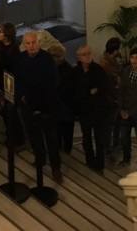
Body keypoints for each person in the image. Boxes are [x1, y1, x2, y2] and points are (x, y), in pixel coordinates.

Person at [16, 30, 62, 183]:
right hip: (27, 105)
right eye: (28, 43)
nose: (31, 46)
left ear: (38, 43)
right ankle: (40, 159)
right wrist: (22, 96)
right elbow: (18, 80)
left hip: (46, 106)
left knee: (51, 138)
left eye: (33, 43)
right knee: (34, 136)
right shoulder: (21, 59)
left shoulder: (47, 59)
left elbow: (52, 83)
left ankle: (56, 167)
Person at [72, 44, 111, 172]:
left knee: (99, 139)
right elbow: (76, 91)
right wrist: (89, 92)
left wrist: (92, 92)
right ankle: (89, 161)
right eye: (84, 54)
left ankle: (99, 164)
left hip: (98, 111)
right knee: (86, 137)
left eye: (89, 53)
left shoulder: (98, 70)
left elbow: (103, 89)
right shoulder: (76, 72)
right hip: (84, 111)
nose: (87, 56)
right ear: (79, 57)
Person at [0, 22, 24, 147]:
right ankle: (11, 135)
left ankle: (18, 139)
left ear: (6, 35)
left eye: (0, 31)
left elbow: (14, 68)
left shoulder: (14, 49)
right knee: (5, 111)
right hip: (2, 81)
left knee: (11, 111)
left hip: (12, 83)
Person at [49, 43, 76, 154]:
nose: (54, 59)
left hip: (66, 105)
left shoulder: (68, 70)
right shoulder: (53, 68)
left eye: (56, 56)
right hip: (57, 105)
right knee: (58, 129)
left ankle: (67, 149)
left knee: (67, 130)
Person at [100, 37, 122, 160]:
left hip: (117, 98)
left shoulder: (114, 60)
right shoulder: (105, 64)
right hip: (110, 99)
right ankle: (107, 146)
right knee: (109, 125)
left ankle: (115, 143)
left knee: (117, 123)